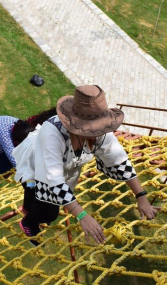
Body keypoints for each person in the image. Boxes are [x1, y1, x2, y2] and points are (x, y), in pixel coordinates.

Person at [14, 85, 157, 246]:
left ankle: (29, 208)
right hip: (36, 165)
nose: (99, 133)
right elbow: (52, 179)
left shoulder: (99, 130)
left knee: (42, 199)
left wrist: (141, 196)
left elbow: (119, 159)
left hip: (60, 169)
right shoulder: (52, 133)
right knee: (48, 211)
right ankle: (28, 222)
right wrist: (82, 216)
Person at [0, 109, 57, 193]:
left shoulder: (20, 126)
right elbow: (17, 163)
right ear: (15, 140)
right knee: (2, 162)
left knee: (4, 159)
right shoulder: (6, 139)